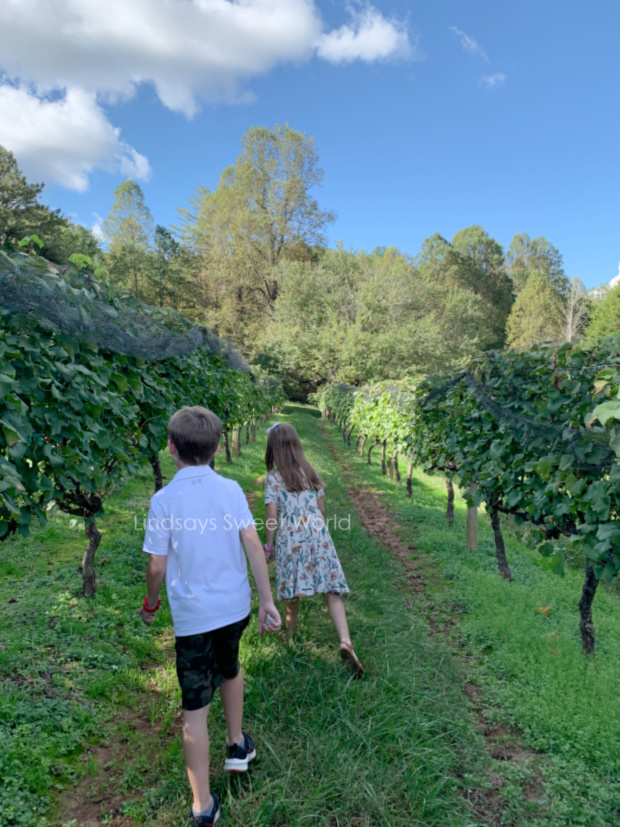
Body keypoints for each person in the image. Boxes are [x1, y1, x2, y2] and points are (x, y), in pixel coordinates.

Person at [138, 406, 282, 827]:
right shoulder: (230, 490)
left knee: (195, 707)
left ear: (170, 447)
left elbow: (157, 566)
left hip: (193, 618)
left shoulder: (163, 501)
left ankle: (202, 806)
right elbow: (252, 543)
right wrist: (267, 600)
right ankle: (236, 745)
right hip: (234, 608)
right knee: (231, 666)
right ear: (218, 448)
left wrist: (151, 604)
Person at [263, 422, 363, 676]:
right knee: (331, 588)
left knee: (291, 588)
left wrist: (269, 546)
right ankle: (345, 641)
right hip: (318, 533)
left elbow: (272, 516)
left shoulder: (273, 478)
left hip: (291, 536)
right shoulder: (312, 472)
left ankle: (290, 634)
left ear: (273, 449)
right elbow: (321, 510)